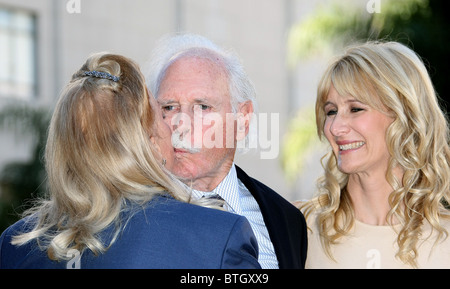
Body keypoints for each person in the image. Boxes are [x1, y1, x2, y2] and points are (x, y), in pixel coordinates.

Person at [0, 52, 261, 269]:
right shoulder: (216, 238)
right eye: (164, 112)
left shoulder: (14, 245)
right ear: (148, 140)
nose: (176, 128)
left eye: (203, 107)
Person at [145, 33, 307, 269]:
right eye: (169, 107)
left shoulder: (287, 220)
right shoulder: (128, 215)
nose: (181, 123)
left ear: (242, 120)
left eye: (202, 107)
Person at [298, 41, 450, 268]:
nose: (335, 127)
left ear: (403, 116)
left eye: (355, 109)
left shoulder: (444, 240)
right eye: (331, 111)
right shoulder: (298, 227)